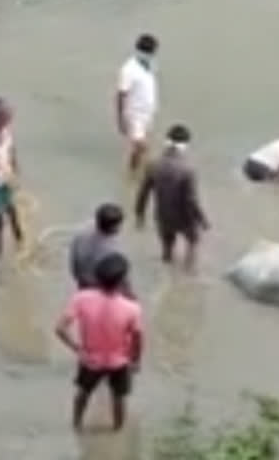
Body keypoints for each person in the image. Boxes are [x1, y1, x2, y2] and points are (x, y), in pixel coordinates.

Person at [55, 253, 143, 431]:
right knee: (119, 397)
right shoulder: (132, 308)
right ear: (122, 281)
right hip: (119, 362)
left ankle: (77, 424)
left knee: (82, 393)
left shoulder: (81, 298)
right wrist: (136, 360)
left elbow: (59, 329)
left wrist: (77, 348)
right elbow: (138, 338)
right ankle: (117, 430)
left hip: (90, 360)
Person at [135, 124, 209, 271]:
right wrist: (202, 219)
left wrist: (140, 215)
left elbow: (143, 193)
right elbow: (191, 200)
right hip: (184, 217)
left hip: (163, 215)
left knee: (167, 250)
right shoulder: (187, 170)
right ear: (186, 145)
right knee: (193, 244)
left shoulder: (153, 165)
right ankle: (188, 275)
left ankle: (167, 274)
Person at [69, 203, 134, 298]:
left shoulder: (82, 231)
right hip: (102, 290)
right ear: (114, 227)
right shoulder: (112, 250)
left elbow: (74, 263)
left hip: (83, 283)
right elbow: (121, 278)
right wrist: (130, 295)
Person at [117, 33, 159, 173]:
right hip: (134, 113)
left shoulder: (150, 65)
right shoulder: (128, 69)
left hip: (148, 111)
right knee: (141, 146)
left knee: (142, 146)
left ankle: (138, 168)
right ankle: (133, 172)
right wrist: (120, 119)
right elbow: (121, 94)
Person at [0, 97, 23, 257]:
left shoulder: (6, 131)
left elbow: (11, 151)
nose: (9, 120)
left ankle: (21, 243)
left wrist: (15, 171)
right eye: (6, 117)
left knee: (13, 212)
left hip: (6, 180)